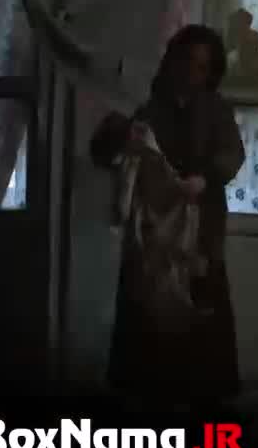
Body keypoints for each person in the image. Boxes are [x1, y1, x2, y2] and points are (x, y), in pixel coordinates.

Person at [90, 24, 246, 401]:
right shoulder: (151, 109)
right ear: (173, 62)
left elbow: (232, 155)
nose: (192, 73)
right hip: (153, 235)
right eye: (187, 63)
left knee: (201, 315)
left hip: (201, 232)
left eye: (201, 67)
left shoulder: (216, 110)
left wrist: (205, 179)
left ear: (211, 72)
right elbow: (105, 152)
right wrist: (122, 137)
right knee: (148, 314)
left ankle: (206, 409)